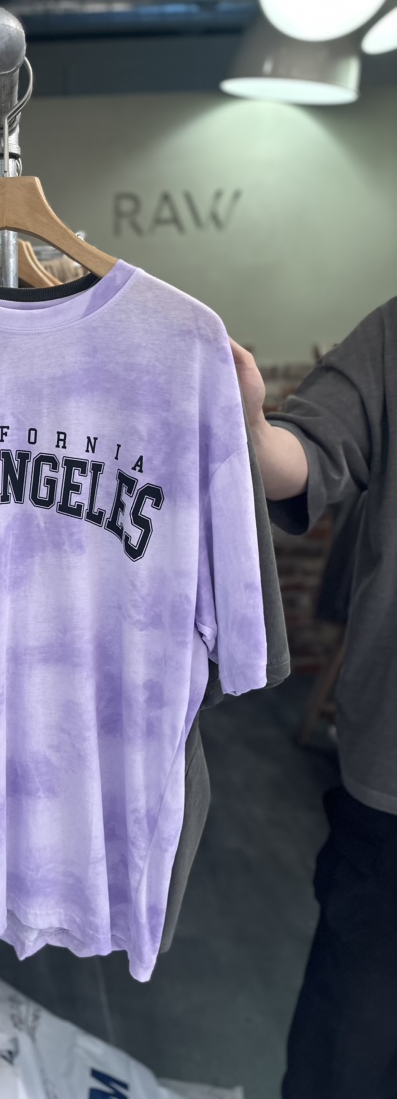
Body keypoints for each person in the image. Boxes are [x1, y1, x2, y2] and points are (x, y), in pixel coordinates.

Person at [230, 299, 397, 1099]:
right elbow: (307, 453)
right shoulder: (395, 333)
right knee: (345, 1058)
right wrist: (252, 431)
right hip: (392, 783)